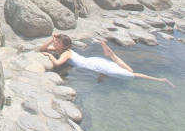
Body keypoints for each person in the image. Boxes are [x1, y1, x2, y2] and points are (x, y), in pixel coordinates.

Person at [40, 34, 174, 87]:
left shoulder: (66, 54)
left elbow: (56, 63)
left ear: (63, 46)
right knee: (130, 71)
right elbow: (42, 49)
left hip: (94, 65)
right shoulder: (63, 50)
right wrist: (51, 41)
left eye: (57, 42)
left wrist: (49, 56)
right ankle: (110, 54)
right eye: (55, 42)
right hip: (94, 62)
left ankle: (161, 80)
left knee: (131, 75)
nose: (55, 44)